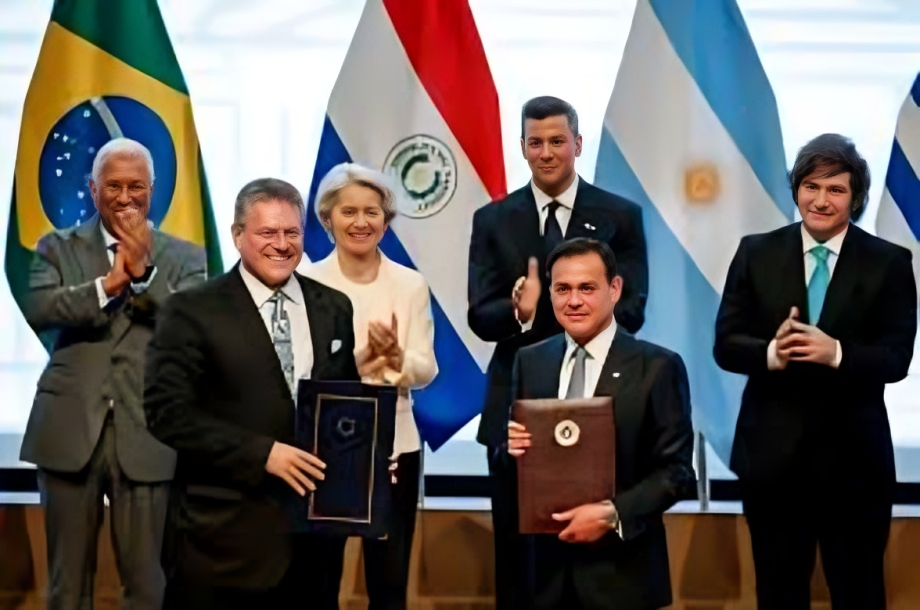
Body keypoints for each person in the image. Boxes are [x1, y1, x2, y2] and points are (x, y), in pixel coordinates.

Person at [714, 133, 918, 610]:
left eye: (836, 189)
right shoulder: (755, 252)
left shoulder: (889, 263)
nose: (820, 200)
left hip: (855, 467)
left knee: (860, 591)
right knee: (779, 593)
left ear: (856, 197)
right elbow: (726, 345)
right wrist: (771, 352)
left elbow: (896, 359)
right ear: (796, 189)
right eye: (811, 186)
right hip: (773, 463)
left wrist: (838, 353)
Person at [143, 178, 360, 610]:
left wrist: (366, 454)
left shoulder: (334, 306)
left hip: (313, 547)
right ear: (237, 235)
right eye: (267, 233)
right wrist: (262, 453)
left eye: (291, 233)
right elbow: (167, 413)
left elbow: (345, 402)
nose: (281, 244)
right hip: (221, 542)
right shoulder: (190, 310)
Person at [467, 95, 649, 609]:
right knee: (519, 557)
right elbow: (481, 317)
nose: (546, 152)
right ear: (522, 147)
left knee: (596, 560)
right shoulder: (493, 220)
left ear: (577, 144)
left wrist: (576, 308)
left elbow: (633, 310)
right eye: (534, 142)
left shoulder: (620, 215)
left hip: (602, 405)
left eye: (556, 141)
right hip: (516, 410)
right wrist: (519, 313)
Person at [19, 137, 207, 610]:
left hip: (147, 434)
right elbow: (41, 308)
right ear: (92, 188)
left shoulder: (186, 258)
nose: (126, 197)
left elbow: (190, 327)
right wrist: (108, 286)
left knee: (147, 586)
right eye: (114, 186)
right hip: (68, 432)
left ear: (154, 189)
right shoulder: (55, 248)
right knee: (67, 585)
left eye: (136, 187)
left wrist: (142, 277)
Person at [507, 238, 694, 610]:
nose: (573, 301)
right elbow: (512, 467)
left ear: (614, 289)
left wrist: (614, 514)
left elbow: (676, 474)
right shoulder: (530, 361)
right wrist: (510, 450)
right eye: (562, 289)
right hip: (544, 580)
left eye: (586, 288)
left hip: (622, 578)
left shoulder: (657, 367)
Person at [298, 162, 438, 610]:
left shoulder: (410, 284)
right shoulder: (308, 284)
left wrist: (397, 361)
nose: (361, 222)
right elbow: (301, 373)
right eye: (349, 212)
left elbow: (427, 368)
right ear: (327, 219)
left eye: (372, 212)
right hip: (325, 447)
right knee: (319, 579)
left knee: (390, 580)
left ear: (387, 219)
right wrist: (358, 363)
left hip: (395, 443)